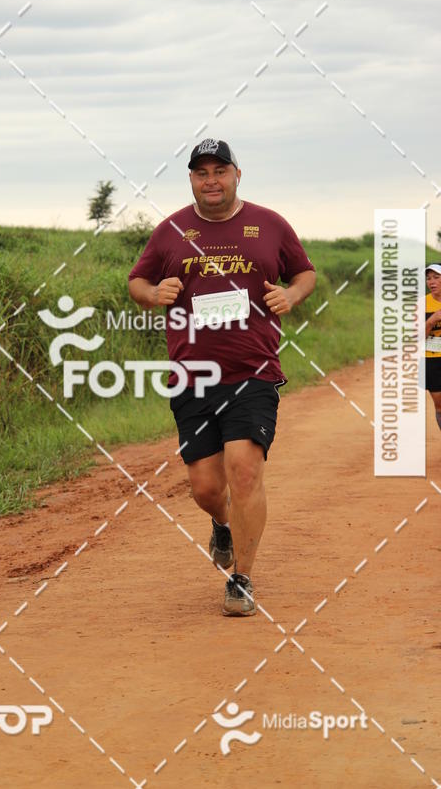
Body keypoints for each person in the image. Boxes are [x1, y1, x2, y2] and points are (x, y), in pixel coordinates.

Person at [128, 138, 316, 616]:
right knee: (207, 488)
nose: (211, 180)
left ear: (237, 175)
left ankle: (242, 578)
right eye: (201, 173)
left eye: (220, 171)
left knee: (245, 469)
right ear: (191, 179)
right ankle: (223, 525)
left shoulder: (270, 224)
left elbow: (305, 274)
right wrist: (155, 294)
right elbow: (137, 282)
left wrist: (290, 297)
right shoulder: (171, 231)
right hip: (193, 375)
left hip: (253, 370)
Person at [424, 264, 441, 430]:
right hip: (432, 360)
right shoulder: (422, 304)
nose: (432, 281)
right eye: (429, 278)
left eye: (436, 277)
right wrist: (432, 319)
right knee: (440, 406)